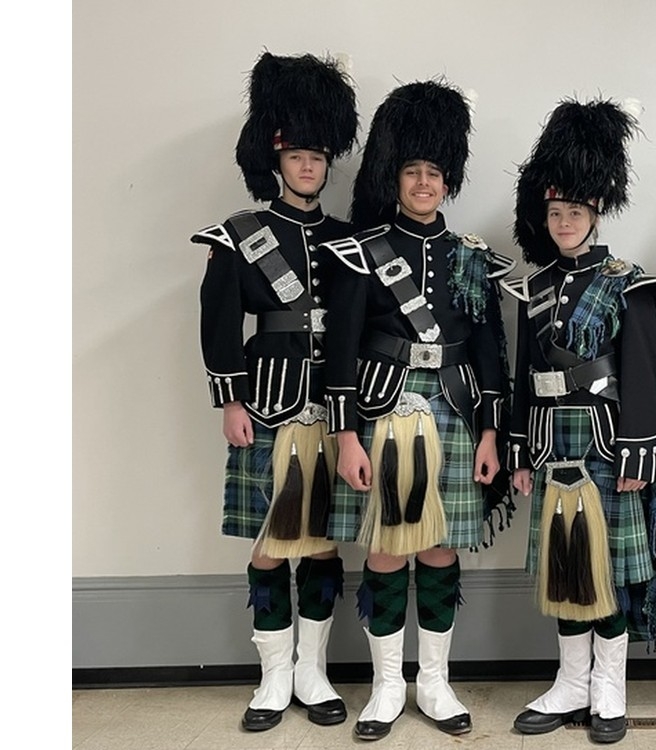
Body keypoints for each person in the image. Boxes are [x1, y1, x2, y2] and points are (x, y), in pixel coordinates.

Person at [319, 79, 514, 742]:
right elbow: (339, 352)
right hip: (380, 411)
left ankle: (433, 682)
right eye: (413, 172)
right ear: (395, 178)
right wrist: (346, 436)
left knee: (435, 548)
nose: (424, 183)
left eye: (434, 173)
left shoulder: (472, 259)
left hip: (455, 415)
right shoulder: (359, 251)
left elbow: (490, 352)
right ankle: (386, 687)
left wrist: (493, 432)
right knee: (384, 547)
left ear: (448, 181)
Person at [503, 98, 656, 745]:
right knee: (567, 570)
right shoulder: (532, 292)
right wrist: (523, 453)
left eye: (575, 213)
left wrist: (642, 454)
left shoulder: (628, 284)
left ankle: (609, 684)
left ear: (596, 212)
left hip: (611, 450)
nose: (563, 223)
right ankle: (571, 682)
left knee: (607, 572)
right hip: (553, 446)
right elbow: (526, 382)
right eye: (555, 213)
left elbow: (644, 375)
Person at [190, 52, 359, 732]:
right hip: (265, 404)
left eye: (319, 157)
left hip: (333, 410)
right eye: (298, 157)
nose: (309, 167)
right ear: (278, 161)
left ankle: (313, 673)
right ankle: (273, 678)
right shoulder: (239, 235)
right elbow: (219, 321)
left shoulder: (349, 241)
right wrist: (230, 400)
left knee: (320, 543)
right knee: (268, 541)